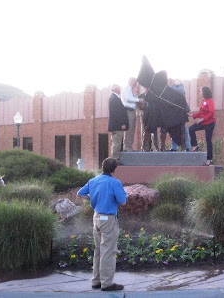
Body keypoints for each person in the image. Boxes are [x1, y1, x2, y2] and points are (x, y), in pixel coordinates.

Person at [77, 158, 127, 292]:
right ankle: (107, 283)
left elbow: (80, 193)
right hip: (108, 219)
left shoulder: (93, 181)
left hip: (96, 218)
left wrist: (93, 198)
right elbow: (122, 201)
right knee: (108, 251)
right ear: (114, 169)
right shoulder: (114, 182)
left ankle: (96, 281)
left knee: (98, 250)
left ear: (102, 167)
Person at [189, 86, 216, 166]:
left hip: (210, 122)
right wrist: (192, 115)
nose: (200, 93)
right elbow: (201, 113)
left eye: (201, 91)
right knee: (191, 129)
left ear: (204, 92)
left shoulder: (210, 101)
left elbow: (211, 113)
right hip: (204, 122)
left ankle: (209, 159)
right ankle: (195, 145)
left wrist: (201, 119)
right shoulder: (203, 101)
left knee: (208, 139)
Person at [168, 78, 191, 152]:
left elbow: (180, 91)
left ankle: (187, 147)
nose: (170, 82)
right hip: (174, 113)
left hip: (181, 112)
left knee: (184, 129)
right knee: (174, 129)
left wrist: (171, 86)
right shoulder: (169, 89)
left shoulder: (180, 87)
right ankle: (174, 147)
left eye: (171, 81)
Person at [122, 77, 144, 152]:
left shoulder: (130, 90)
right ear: (131, 81)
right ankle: (127, 147)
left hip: (132, 111)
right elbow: (128, 98)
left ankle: (129, 147)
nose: (136, 84)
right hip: (128, 111)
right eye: (135, 82)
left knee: (132, 130)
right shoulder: (126, 89)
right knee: (129, 129)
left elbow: (132, 98)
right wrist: (138, 100)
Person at [108, 84, 129, 160]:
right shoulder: (114, 98)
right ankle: (114, 160)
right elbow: (117, 113)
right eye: (119, 88)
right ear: (116, 89)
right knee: (116, 144)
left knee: (117, 143)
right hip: (117, 126)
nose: (120, 89)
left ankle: (116, 159)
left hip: (116, 125)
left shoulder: (114, 98)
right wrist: (122, 123)